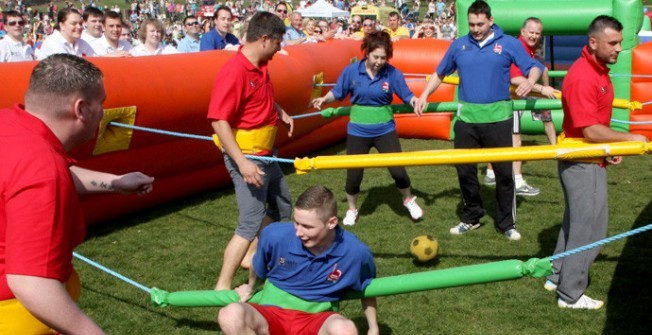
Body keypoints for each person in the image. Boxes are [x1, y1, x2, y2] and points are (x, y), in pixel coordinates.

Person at [0, 54, 155, 334]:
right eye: (102, 103)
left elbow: (32, 178)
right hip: (18, 314)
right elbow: (29, 282)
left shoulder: (9, 123)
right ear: (81, 109)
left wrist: (114, 183)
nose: (104, 111)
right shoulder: (41, 168)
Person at [414, 0, 543, 240]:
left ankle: (506, 223)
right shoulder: (459, 45)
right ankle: (471, 217)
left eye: (480, 24)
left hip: (499, 119)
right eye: (472, 24)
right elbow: (440, 73)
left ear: (491, 21)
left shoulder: (509, 44)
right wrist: (423, 95)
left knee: (505, 174)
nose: (475, 28)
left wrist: (531, 81)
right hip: (467, 120)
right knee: (465, 171)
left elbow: (533, 66)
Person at [543, 15, 648, 310]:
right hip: (581, 163)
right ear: (593, 42)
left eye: (619, 43)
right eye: (612, 43)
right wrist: (628, 139)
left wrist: (606, 149)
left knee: (574, 223)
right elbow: (589, 129)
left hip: (590, 157)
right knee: (590, 230)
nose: (618, 49)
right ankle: (571, 294)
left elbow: (592, 127)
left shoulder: (599, 70)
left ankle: (556, 275)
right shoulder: (583, 76)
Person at [207, 11, 294, 291]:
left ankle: (255, 256)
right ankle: (223, 286)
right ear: (265, 39)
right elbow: (219, 121)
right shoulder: (234, 71)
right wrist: (242, 163)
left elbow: (258, 100)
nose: (281, 47)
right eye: (279, 41)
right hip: (248, 158)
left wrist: (279, 111)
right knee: (249, 222)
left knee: (282, 207)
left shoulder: (261, 65)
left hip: (267, 155)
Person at [217, 185, 378, 335]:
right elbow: (257, 266)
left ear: (331, 223)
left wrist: (373, 328)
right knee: (229, 315)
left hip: (317, 317)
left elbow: (367, 288)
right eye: (296, 223)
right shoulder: (274, 236)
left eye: (307, 226)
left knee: (346, 329)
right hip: (271, 313)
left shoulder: (356, 253)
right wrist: (250, 287)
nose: (299, 232)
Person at [312, 31, 424, 226]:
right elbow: (337, 92)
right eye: (376, 57)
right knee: (354, 175)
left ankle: (408, 200)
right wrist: (324, 99)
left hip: (385, 129)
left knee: (398, 170)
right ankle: (352, 209)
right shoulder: (351, 71)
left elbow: (407, 94)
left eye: (383, 57)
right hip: (358, 131)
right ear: (366, 53)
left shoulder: (392, 73)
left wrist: (415, 101)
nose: (380, 61)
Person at [485, 17, 559, 196]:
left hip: (508, 96)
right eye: (531, 32)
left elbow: (539, 70)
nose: (534, 36)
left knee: (503, 138)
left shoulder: (529, 50)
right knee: (515, 138)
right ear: (522, 31)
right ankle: (517, 181)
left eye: (537, 33)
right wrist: (542, 89)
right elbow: (515, 79)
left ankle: (490, 172)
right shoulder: (517, 47)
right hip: (508, 97)